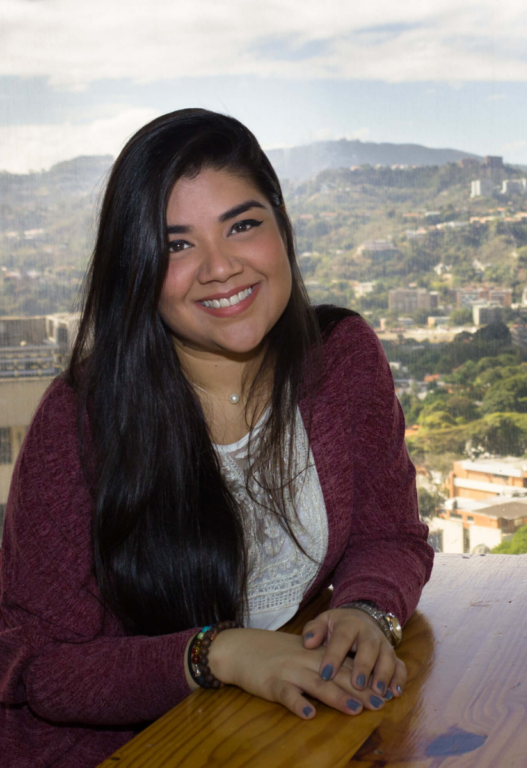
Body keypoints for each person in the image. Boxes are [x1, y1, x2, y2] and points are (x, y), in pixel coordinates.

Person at [0, 108, 434, 767]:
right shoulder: (82, 418)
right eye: (178, 245)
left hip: (267, 735)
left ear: (281, 228)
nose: (220, 267)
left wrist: (367, 612)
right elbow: (35, 665)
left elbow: (390, 536)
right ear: (137, 270)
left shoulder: (341, 358)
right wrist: (215, 652)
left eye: (242, 225)